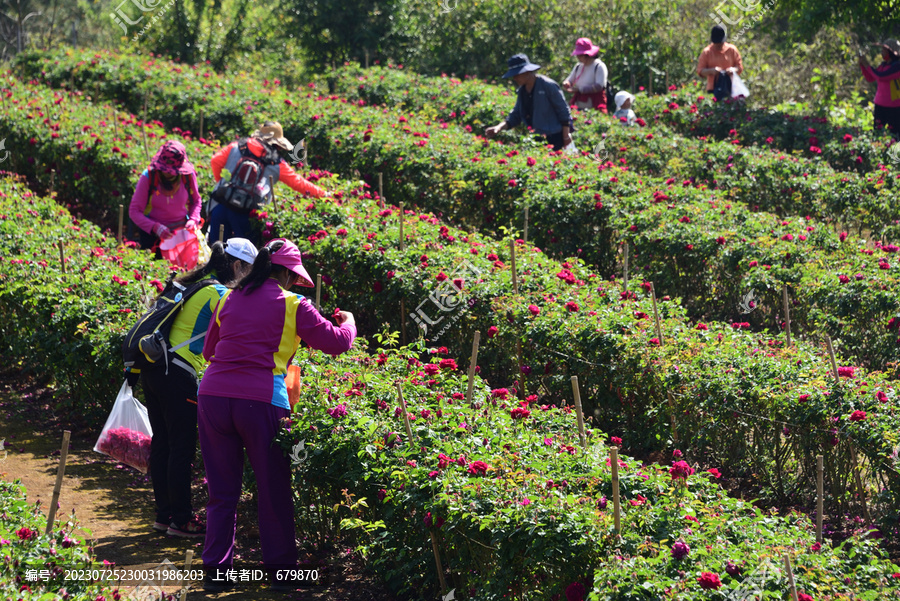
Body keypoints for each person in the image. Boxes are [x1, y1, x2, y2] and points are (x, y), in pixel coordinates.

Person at [197, 238, 356, 591]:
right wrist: (350, 322)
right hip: (262, 400)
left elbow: (209, 351)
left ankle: (215, 572)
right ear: (285, 273)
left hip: (213, 395)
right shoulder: (294, 304)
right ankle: (281, 573)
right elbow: (337, 343)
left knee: (222, 492)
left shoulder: (228, 297)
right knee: (273, 490)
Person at [145, 238, 258, 538]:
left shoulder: (196, 285)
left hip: (155, 367)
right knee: (180, 447)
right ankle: (181, 520)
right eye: (250, 271)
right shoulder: (219, 293)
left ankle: (164, 515)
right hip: (178, 372)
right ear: (237, 267)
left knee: (163, 444)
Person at [208, 121, 328, 244]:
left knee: (217, 249)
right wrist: (324, 194)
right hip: (246, 214)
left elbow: (215, 161)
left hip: (221, 205)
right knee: (243, 256)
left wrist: (223, 184)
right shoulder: (277, 163)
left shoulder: (237, 146)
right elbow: (298, 183)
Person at [485, 54, 574, 151]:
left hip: (555, 137)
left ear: (527, 72)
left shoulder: (548, 85)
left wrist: (566, 136)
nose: (515, 78)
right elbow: (516, 115)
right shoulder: (522, 91)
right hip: (537, 138)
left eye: (517, 74)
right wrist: (498, 128)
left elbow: (563, 112)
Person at [129, 140, 202, 253]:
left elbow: (196, 201)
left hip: (180, 235)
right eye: (165, 170)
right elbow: (134, 211)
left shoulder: (188, 176)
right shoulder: (149, 177)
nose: (169, 173)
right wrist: (155, 227)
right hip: (152, 237)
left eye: (173, 171)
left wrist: (193, 220)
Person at [859, 39, 900, 136]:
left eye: (883, 50)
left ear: (890, 52)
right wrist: (863, 65)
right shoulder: (883, 65)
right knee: (877, 134)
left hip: (894, 107)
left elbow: (881, 76)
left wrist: (867, 66)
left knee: (895, 135)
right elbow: (871, 78)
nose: (881, 53)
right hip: (880, 106)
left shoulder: (897, 66)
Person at [696, 24, 744, 99]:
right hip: (713, 89)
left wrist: (733, 69)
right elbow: (700, 70)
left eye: (720, 43)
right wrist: (712, 71)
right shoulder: (707, 52)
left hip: (731, 88)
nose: (718, 46)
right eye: (716, 44)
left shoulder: (732, 50)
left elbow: (739, 67)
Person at [562, 38, 609, 113]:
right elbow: (570, 79)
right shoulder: (578, 66)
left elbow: (599, 86)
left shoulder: (599, 66)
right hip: (579, 105)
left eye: (580, 55)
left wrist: (579, 89)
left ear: (587, 55)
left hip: (594, 106)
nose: (578, 57)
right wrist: (567, 83)